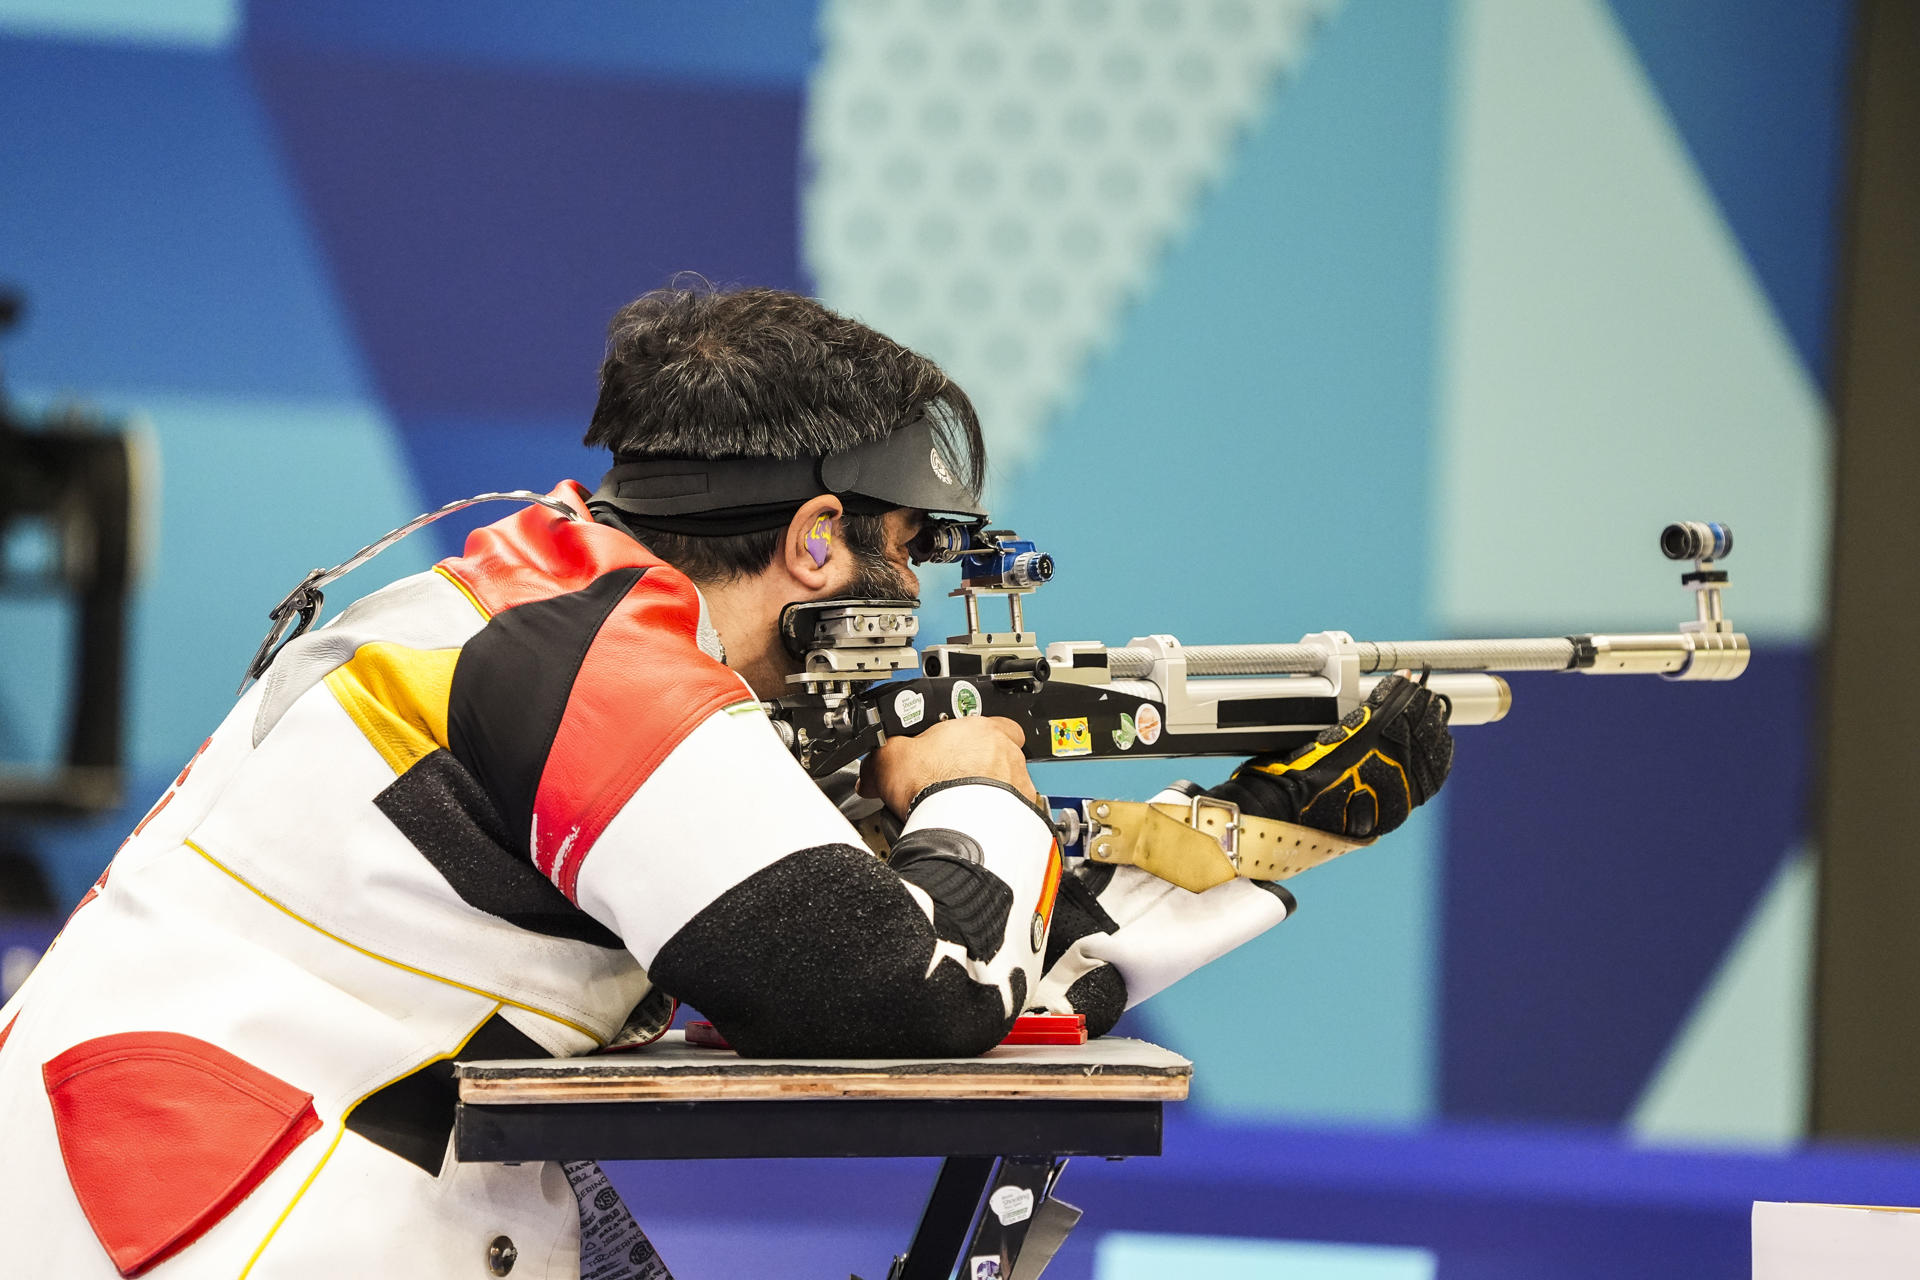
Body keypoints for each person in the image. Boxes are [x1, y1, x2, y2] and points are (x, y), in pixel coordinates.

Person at [0, 286, 1451, 1279]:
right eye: (902, 550)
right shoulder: (603, 665)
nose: (909, 593)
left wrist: (1243, 846)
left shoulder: (541, 598)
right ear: (816, 541)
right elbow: (900, 995)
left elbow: (938, 976)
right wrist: (974, 785)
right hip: (230, 1203)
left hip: (210, 1169)